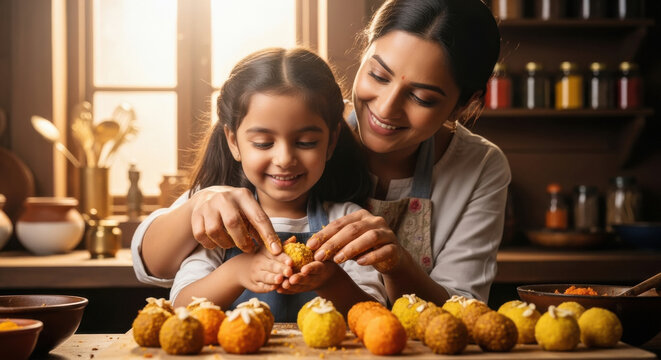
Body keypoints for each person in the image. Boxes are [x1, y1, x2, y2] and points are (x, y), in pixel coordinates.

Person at [134, 0, 510, 308]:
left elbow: (460, 312)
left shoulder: (479, 166)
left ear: (467, 104)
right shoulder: (301, 120)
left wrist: (394, 266)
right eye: (378, 76)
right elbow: (154, 265)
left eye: (422, 98)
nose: (386, 108)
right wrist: (202, 202)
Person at [131, 47, 386, 320]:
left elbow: (375, 314)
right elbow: (180, 310)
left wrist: (331, 281)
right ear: (233, 141)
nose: (285, 159)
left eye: (306, 143)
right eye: (264, 143)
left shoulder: (346, 222)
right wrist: (238, 271)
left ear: (331, 141)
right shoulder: (220, 220)